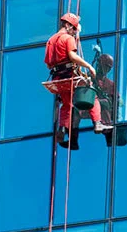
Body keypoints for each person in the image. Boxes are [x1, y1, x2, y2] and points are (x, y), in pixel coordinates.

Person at [44, 12, 111, 148]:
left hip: (58, 78)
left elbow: (48, 63)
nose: (75, 32)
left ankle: (62, 130)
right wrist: (88, 66)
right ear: (68, 26)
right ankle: (97, 123)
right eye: (74, 29)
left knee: (67, 104)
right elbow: (72, 56)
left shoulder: (50, 40)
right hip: (69, 75)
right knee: (92, 95)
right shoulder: (67, 38)